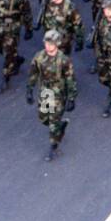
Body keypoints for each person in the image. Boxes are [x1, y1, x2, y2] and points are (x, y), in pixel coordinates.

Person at [27, 29, 76, 160]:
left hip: (59, 94)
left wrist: (72, 98)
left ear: (57, 44)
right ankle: (60, 127)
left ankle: (53, 146)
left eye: (51, 43)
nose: (48, 45)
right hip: (46, 92)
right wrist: (29, 90)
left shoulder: (64, 60)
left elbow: (71, 79)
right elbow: (33, 73)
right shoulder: (39, 57)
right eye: (46, 43)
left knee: (53, 122)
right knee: (44, 118)